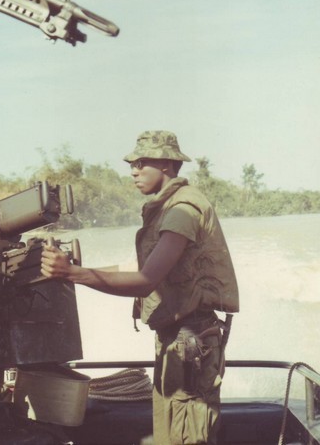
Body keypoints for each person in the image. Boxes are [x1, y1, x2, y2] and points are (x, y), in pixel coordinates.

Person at [41, 130, 239, 445]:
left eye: (142, 162)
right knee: (167, 437)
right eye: (133, 163)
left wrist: (71, 273)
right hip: (177, 341)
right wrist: (71, 270)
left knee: (186, 437)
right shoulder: (166, 207)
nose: (134, 170)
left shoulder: (183, 210)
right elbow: (146, 273)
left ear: (168, 165)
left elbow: (147, 280)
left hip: (190, 344)